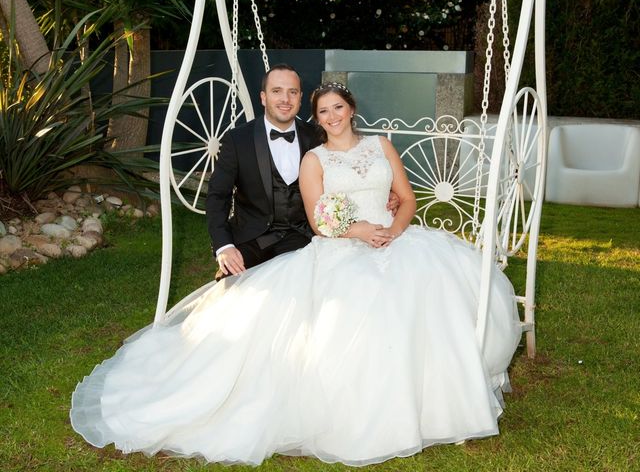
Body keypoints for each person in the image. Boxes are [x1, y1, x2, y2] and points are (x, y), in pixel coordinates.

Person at [70, 82, 522, 467]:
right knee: (361, 301)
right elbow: (319, 218)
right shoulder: (314, 159)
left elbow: (406, 199)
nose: (332, 116)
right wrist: (358, 230)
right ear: (318, 118)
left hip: (396, 239)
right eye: (323, 112)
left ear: (352, 110)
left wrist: (392, 231)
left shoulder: (381, 144)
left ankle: (442, 399)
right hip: (342, 246)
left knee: (435, 288)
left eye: (338, 108)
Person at [206, 64, 397, 278]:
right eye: (276, 91)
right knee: (231, 290)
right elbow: (217, 196)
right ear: (263, 97)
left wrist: (389, 193)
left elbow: (349, 169)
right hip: (252, 239)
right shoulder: (238, 139)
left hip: (304, 238)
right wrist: (224, 246)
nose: (285, 99)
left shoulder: (318, 136)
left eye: (292, 92)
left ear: (300, 98)